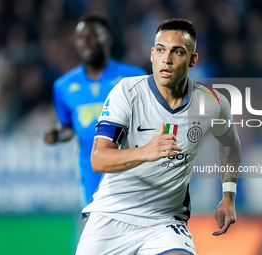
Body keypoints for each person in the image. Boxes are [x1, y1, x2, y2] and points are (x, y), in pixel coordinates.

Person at [75, 18, 241, 255]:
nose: (167, 59)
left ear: (193, 60)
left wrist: (228, 195)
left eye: (178, 52)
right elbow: (98, 159)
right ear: (152, 54)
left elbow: (230, 144)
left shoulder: (213, 103)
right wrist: (145, 152)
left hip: (165, 220)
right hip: (112, 215)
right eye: (161, 50)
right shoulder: (127, 92)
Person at [44, 15, 146, 205]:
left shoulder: (135, 78)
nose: (85, 42)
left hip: (130, 173)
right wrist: (57, 134)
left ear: (108, 39)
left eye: (92, 35)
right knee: (97, 232)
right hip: (91, 175)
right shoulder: (64, 86)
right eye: (80, 37)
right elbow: (68, 127)